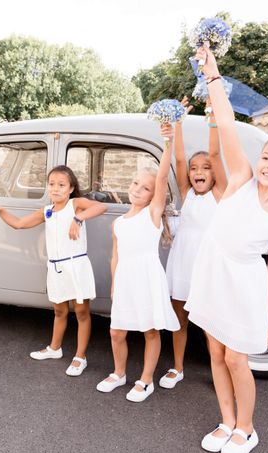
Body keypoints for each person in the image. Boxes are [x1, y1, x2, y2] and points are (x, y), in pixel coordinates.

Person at [185, 46, 268, 453]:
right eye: (267, 156)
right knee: (215, 352)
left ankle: (246, 428)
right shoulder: (240, 177)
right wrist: (212, 72)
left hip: (245, 286)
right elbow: (225, 121)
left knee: (238, 357)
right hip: (212, 277)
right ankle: (226, 420)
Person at [0, 165, 107, 376]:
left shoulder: (75, 204)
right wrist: (1, 211)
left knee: (82, 313)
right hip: (56, 267)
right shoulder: (47, 211)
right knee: (59, 311)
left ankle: (80, 357)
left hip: (75, 265)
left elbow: (99, 207)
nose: (56, 189)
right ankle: (55, 348)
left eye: (61, 185)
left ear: (70, 188)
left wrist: (78, 218)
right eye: (52, 184)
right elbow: (20, 224)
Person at [96, 124, 180, 402]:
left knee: (149, 330)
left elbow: (164, 174)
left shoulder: (152, 214)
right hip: (126, 279)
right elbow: (115, 255)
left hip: (147, 276)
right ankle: (119, 373)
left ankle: (146, 380)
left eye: (146, 188)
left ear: (153, 195)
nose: (138, 189)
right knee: (116, 331)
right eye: (135, 184)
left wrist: (168, 140)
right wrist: (114, 284)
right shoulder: (119, 222)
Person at [160, 96, 227, 389]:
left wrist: (212, 114)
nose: (198, 172)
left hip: (208, 266)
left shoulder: (220, 194)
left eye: (205, 168)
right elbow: (178, 158)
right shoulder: (186, 193)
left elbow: (215, 151)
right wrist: (177, 123)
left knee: (213, 323)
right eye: (194, 168)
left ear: (214, 172)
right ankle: (177, 367)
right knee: (180, 318)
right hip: (182, 262)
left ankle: (220, 371)